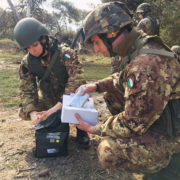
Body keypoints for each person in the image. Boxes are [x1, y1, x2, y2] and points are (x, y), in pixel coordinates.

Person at [74, 2, 180, 179]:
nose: (96, 49)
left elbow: (132, 122)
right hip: (163, 120)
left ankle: (168, 160)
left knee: (107, 151)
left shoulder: (145, 64)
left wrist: (95, 128)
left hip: (173, 136)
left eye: (96, 42)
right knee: (111, 95)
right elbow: (121, 78)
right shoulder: (139, 48)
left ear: (112, 33)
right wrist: (96, 86)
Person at [13, 17, 90, 149]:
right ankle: (52, 124)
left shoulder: (65, 54)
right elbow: (26, 89)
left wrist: (58, 106)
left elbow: (77, 80)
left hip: (69, 98)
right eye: (28, 48)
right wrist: (33, 113)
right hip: (49, 99)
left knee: (82, 102)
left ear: (44, 39)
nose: (33, 50)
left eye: (35, 45)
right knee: (23, 111)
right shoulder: (27, 63)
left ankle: (81, 131)